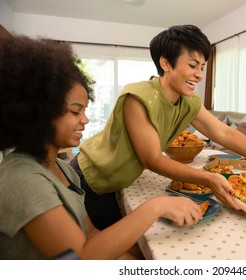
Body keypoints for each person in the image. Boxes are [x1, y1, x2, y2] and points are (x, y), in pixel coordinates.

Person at [70, 24, 246, 230]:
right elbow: (152, 158)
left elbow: (223, 132)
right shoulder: (137, 96)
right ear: (165, 63)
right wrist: (209, 179)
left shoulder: (189, 102)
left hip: (119, 181)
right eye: (192, 65)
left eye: (202, 67)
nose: (199, 75)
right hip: (90, 178)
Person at [0, 35, 206, 260]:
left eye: (85, 110)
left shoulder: (63, 168)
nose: (85, 120)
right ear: (36, 111)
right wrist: (156, 206)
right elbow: (82, 258)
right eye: (75, 111)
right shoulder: (23, 179)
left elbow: (91, 235)